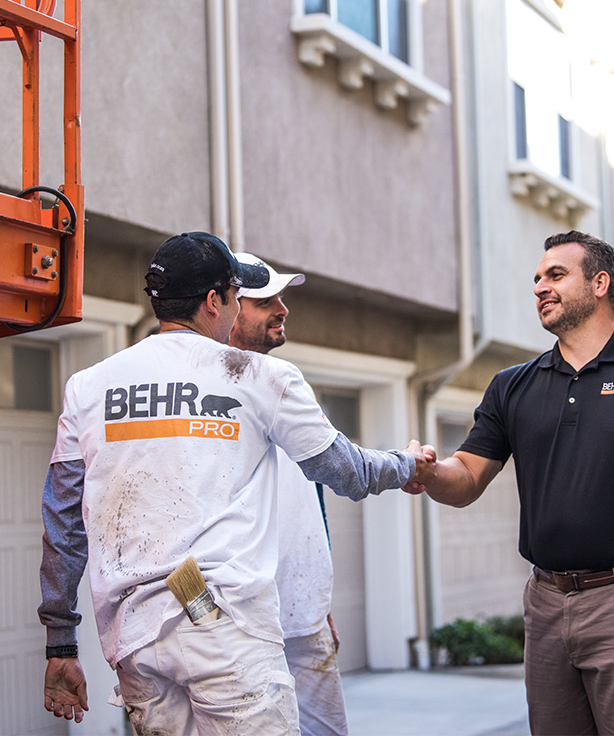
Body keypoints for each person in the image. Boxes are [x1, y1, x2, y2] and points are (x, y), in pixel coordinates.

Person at [38, 231, 431, 735]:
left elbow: (63, 521)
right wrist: (408, 464)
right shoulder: (258, 375)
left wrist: (60, 643)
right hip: (224, 627)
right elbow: (345, 469)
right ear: (214, 301)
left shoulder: (88, 387)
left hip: (135, 638)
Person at [404, 230, 614, 736]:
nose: (540, 286)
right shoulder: (512, 385)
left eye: (556, 275)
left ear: (600, 283)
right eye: (537, 278)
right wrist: (430, 472)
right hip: (546, 601)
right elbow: (469, 474)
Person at [229, 251, 348, 736]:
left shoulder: (285, 387)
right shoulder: (205, 396)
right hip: (240, 623)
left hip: (304, 615)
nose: (283, 309)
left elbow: (311, 493)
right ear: (224, 306)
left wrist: (318, 600)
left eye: (281, 298)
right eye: (266, 301)